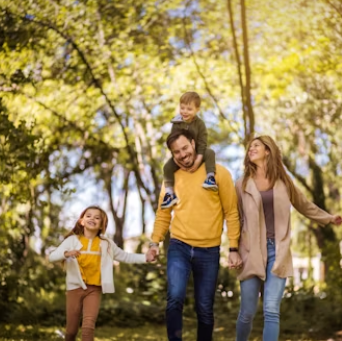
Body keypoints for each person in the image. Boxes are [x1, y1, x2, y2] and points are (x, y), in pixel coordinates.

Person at [235, 136, 342, 341]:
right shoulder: (242, 184)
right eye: (250, 147)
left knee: (272, 309)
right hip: (250, 251)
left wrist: (328, 218)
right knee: (247, 312)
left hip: (278, 250)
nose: (251, 148)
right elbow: (233, 217)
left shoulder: (283, 182)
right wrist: (233, 249)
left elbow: (304, 204)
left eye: (256, 145)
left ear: (268, 151)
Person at [147, 129, 242, 341]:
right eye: (176, 152)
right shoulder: (170, 179)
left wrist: (233, 247)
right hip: (179, 246)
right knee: (174, 298)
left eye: (184, 148)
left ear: (193, 143)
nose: (182, 154)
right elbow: (163, 214)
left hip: (209, 250)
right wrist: (154, 243)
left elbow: (232, 213)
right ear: (172, 154)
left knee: (205, 307)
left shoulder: (219, 173)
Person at [49, 206, 154, 341]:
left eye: (97, 217)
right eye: (89, 216)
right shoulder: (72, 241)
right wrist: (66, 253)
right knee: (71, 330)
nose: (92, 218)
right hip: (74, 288)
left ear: (101, 225)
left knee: (88, 326)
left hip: (94, 289)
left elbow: (125, 256)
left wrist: (146, 258)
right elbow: (52, 257)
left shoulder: (106, 244)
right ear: (82, 221)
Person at [161, 91, 217, 209]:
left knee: (210, 153)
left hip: (198, 153)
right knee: (167, 167)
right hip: (180, 155)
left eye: (189, 109)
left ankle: (210, 177)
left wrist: (198, 160)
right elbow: (173, 143)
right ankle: (170, 193)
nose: (185, 112)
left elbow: (202, 142)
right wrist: (177, 162)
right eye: (182, 108)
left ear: (197, 110)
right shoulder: (176, 123)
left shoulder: (200, 124)